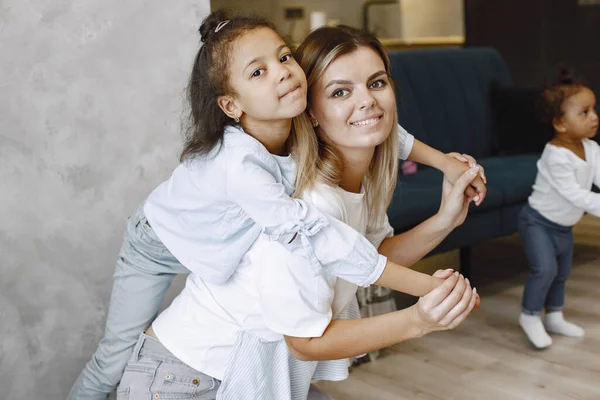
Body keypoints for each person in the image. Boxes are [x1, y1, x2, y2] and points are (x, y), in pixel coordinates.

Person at [69, 10, 485, 400]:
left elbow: (364, 251)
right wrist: (423, 305)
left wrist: (446, 211)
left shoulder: (340, 173)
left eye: (377, 83)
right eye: (341, 91)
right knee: (113, 354)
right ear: (313, 110)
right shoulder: (287, 197)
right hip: (183, 367)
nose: (367, 102)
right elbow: (313, 310)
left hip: (233, 362)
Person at [518, 70, 599, 349]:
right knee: (545, 269)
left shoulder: (591, 148)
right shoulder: (555, 156)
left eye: (594, 110)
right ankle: (529, 316)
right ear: (560, 124)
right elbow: (576, 195)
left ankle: (554, 315)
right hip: (538, 223)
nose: (594, 117)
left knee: (562, 272)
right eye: (585, 112)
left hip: (564, 227)